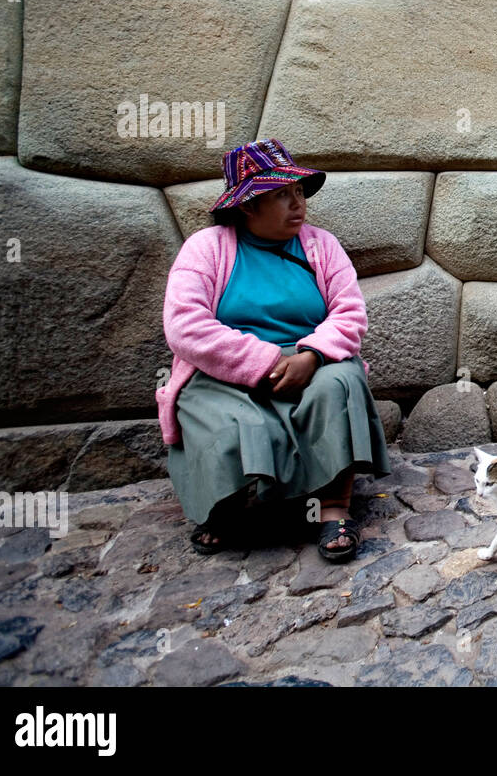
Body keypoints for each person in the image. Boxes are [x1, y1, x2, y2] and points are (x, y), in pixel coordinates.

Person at [155, 138, 391, 563]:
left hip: (308, 361)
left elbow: (349, 313)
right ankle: (225, 506)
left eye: (298, 192)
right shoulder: (206, 249)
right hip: (223, 368)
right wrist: (262, 363)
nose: (297, 204)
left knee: (342, 381)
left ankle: (333, 508)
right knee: (231, 421)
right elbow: (184, 326)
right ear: (247, 206)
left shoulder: (322, 246)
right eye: (281, 195)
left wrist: (312, 356)